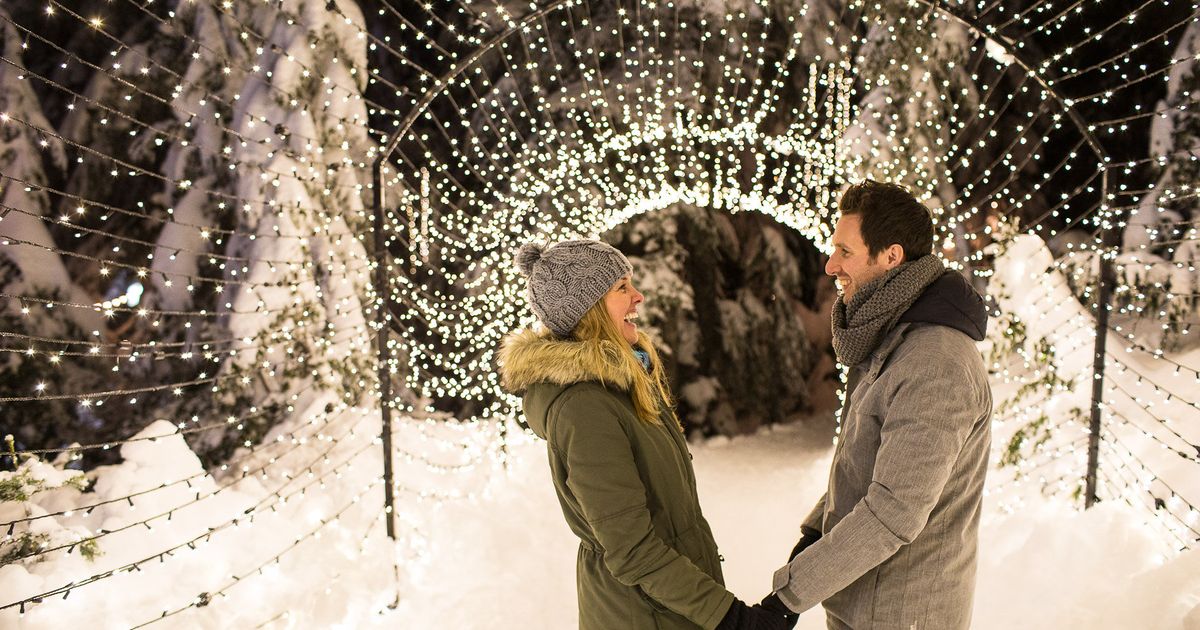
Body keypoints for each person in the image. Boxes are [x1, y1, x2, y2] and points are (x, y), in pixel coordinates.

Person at [498, 239, 791, 630]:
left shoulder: (621, 382)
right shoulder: (585, 407)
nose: (638, 296)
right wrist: (731, 618)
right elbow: (632, 549)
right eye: (621, 288)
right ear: (589, 308)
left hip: (668, 607)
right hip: (641, 615)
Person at [769, 181, 992, 629]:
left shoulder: (934, 362)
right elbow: (863, 458)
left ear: (891, 257)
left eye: (845, 252)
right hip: (866, 604)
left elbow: (893, 510)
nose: (831, 265)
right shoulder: (893, 339)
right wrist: (816, 529)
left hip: (902, 612)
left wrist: (786, 600)